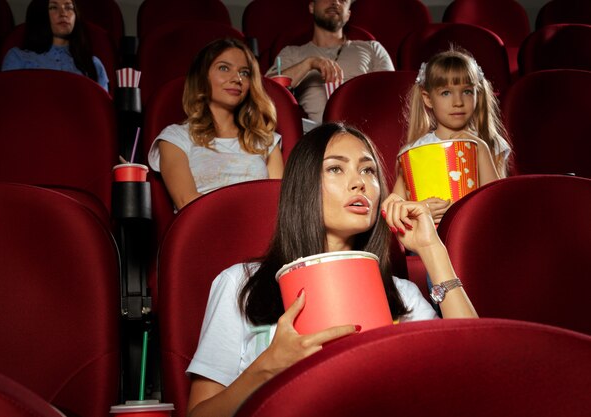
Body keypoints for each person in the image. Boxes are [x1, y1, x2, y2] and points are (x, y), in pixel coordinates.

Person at [185, 122, 478, 417]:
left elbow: (473, 371)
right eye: (336, 169)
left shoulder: (402, 295)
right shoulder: (240, 284)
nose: (359, 183)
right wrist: (267, 367)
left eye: (368, 170)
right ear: (304, 186)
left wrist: (431, 249)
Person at [148, 38, 284, 211]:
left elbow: (279, 204)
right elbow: (187, 202)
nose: (237, 79)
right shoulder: (175, 138)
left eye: (244, 73)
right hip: (205, 229)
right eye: (224, 68)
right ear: (202, 77)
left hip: (260, 230)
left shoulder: (266, 141)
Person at [392, 48, 512, 223]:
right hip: (428, 237)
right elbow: (396, 206)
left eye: (467, 91)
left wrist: (481, 150)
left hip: (477, 231)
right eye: (446, 93)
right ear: (427, 98)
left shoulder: (491, 143)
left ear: (478, 93)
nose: (458, 102)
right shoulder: (414, 151)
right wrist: (420, 210)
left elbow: (497, 203)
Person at [265, 0, 394, 126]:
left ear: (348, 14)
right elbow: (263, 92)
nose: (335, 2)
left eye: (343, 0)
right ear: (311, 6)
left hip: (365, 131)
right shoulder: (291, 53)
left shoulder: (373, 49)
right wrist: (309, 64)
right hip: (315, 137)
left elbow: (392, 95)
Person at [1, 0, 109, 92]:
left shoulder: (94, 64)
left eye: (69, 7)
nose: (63, 13)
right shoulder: (18, 58)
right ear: (40, 13)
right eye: (53, 7)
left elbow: (100, 111)